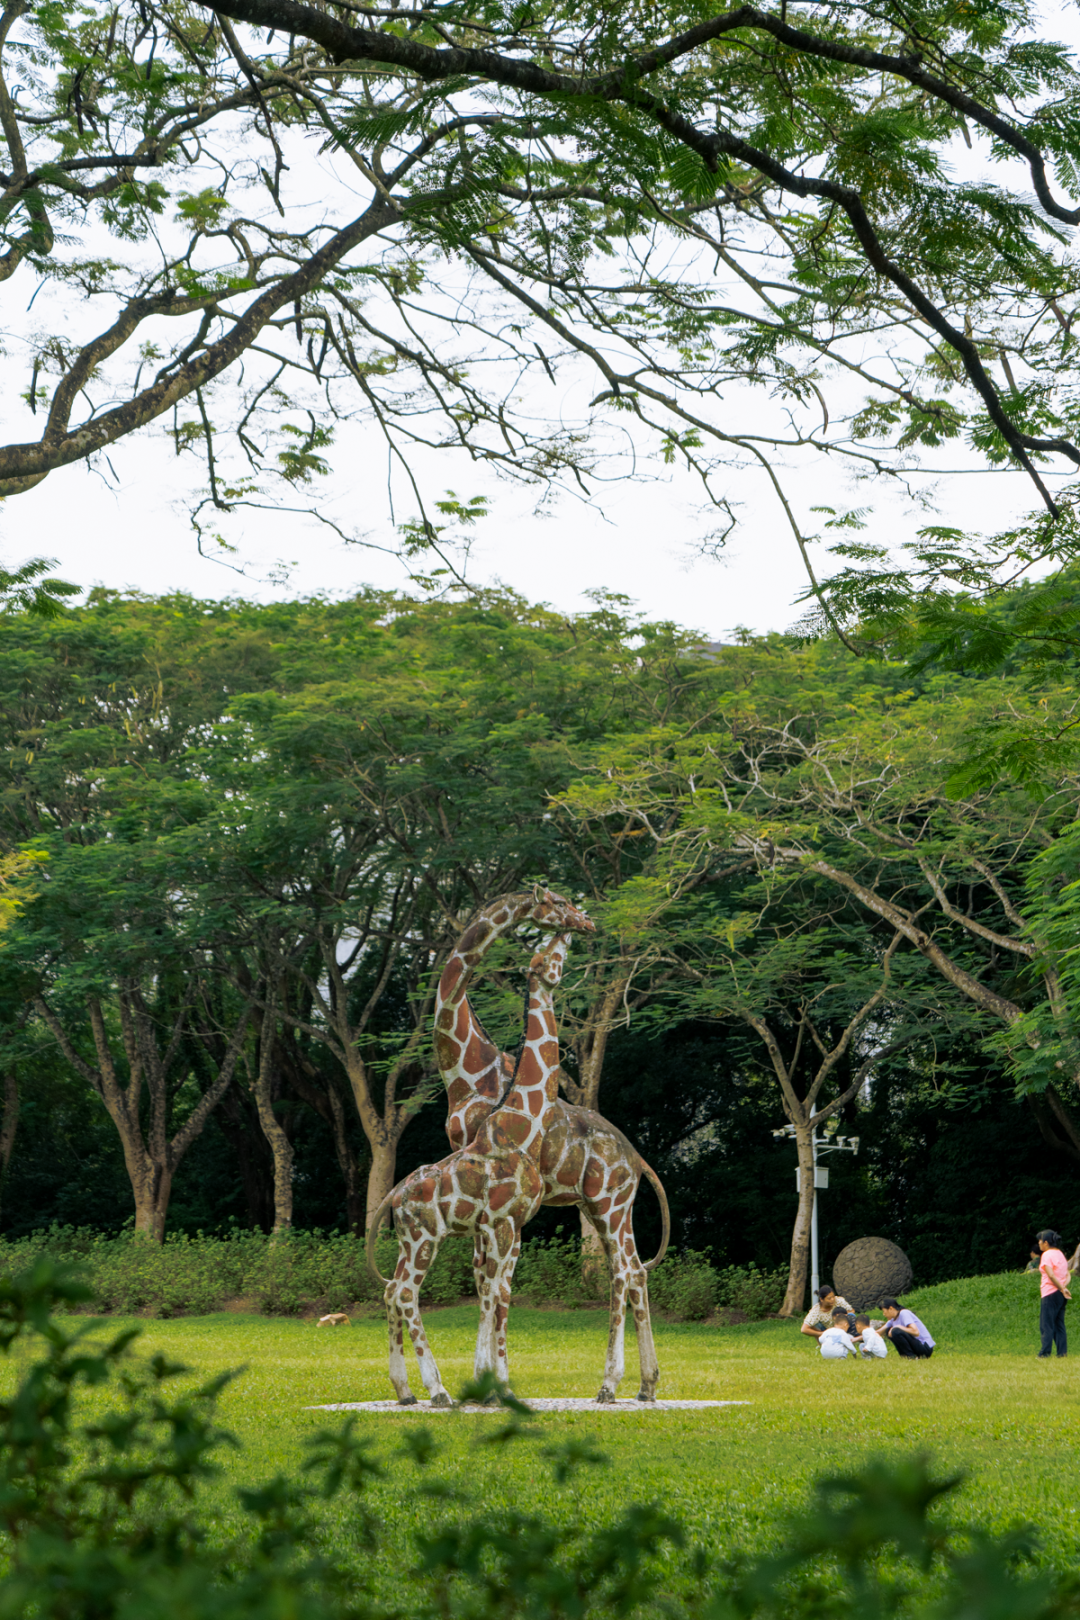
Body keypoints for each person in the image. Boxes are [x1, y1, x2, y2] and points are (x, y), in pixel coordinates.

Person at [1036, 1228, 1070, 1359]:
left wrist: (1061, 1287)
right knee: (1059, 1324)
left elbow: (1050, 1274)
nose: (1039, 1243)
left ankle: (1045, 1353)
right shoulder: (1060, 1254)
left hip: (1049, 1293)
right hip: (1060, 1294)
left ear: (1046, 1243)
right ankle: (1062, 1353)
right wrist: (1063, 1287)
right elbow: (1067, 1274)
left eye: (1040, 1240)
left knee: (1046, 1324)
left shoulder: (1047, 1255)